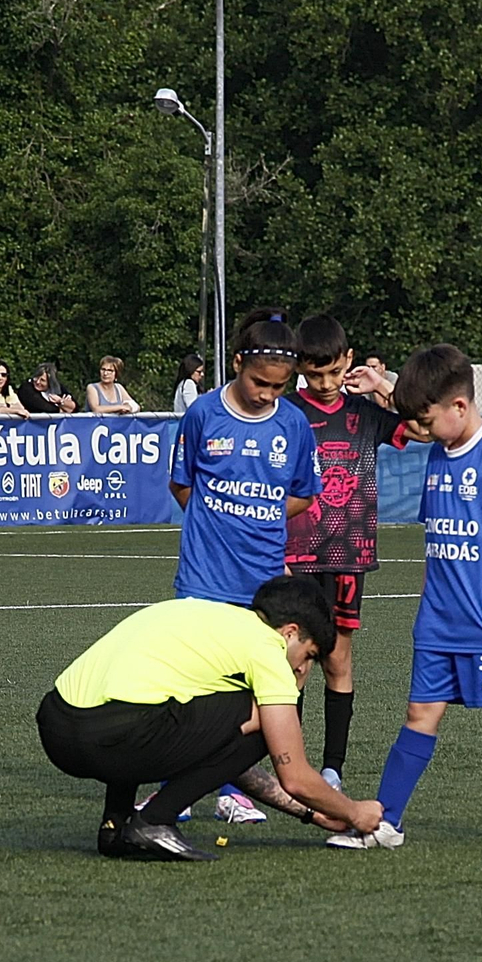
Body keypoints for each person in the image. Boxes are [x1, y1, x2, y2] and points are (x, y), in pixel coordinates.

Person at [328, 343, 482, 852]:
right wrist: (383, 388)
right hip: (438, 624)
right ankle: (386, 822)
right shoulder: (440, 452)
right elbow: (438, 535)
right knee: (420, 717)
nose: (421, 430)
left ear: (459, 407)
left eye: (427, 420)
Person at [37, 575, 385, 861]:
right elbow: (294, 777)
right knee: (264, 718)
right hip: (113, 737)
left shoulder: (206, 618)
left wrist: (310, 812)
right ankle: (154, 821)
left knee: (145, 702)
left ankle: (115, 826)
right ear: (290, 632)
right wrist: (354, 812)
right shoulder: (266, 647)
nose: (302, 668)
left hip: (56, 727)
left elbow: (217, 753)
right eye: (308, 655)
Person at [169, 307, 321, 823]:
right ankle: (174, 792)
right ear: (237, 364)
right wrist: (215, 521)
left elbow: (303, 493)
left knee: (247, 695)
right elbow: (182, 484)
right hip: (203, 577)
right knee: (190, 687)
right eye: (260, 383)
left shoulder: (293, 424)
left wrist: (263, 513)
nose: (267, 394)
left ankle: (231, 791)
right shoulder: (203, 414)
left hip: (263, 585)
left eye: (279, 387)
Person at [284, 313, 410, 791]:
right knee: (294, 663)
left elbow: (422, 428)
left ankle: (332, 769)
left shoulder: (364, 412)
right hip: (296, 557)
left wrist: (383, 387)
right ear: (300, 368)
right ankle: (291, 763)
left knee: (338, 660)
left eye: (334, 372)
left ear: (349, 361)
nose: (325, 383)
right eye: (315, 374)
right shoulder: (287, 414)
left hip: (349, 557)